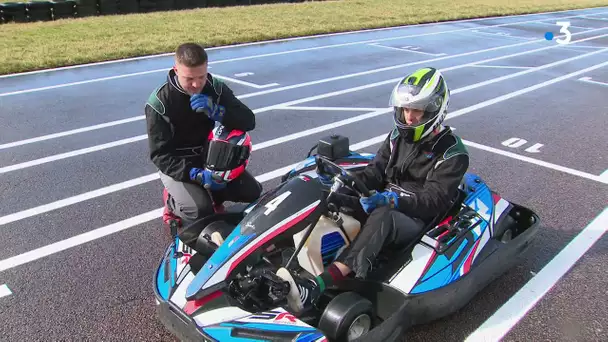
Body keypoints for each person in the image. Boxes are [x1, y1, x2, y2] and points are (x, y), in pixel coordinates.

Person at [276, 67, 470, 314]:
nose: (409, 117)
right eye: (406, 110)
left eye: (417, 111)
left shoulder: (452, 152)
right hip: (386, 201)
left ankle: (316, 286)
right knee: (330, 197)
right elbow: (374, 173)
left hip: (417, 217)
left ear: (434, 110)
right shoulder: (397, 137)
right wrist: (343, 181)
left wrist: (392, 201)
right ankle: (277, 249)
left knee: (382, 215)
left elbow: (433, 201)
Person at [144, 42, 263, 228]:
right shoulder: (159, 103)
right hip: (178, 163)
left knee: (252, 192)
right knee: (200, 211)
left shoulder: (214, 88)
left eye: (201, 76)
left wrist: (219, 112)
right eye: (189, 78)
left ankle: (212, 196)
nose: (196, 84)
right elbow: (160, 155)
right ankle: (172, 202)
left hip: (210, 157)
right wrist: (193, 174)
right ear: (176, 70)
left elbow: (249, 121)